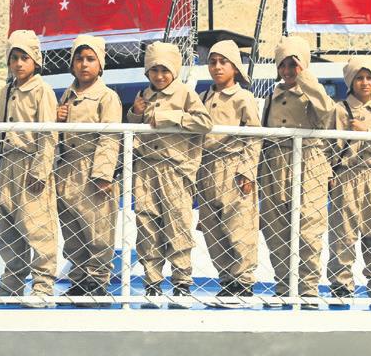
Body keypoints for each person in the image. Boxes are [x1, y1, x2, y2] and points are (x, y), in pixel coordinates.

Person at [126, 41, 212, 305]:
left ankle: (181, 283)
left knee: (177, 225)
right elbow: (135, 127)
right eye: (154, 70)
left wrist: (170, 117)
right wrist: (135, 113)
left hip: (174, 169)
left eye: (165, 70)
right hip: (146, 168)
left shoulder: (185, 94)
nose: (159, 76)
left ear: (174, 70)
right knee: (147, 225)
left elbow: (204, 122)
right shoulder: (143, 94)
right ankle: (152, 282)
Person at [258, 35, 336, 301]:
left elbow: (328, 113)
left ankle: (308, 288)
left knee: (309, 228)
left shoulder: (314, 93)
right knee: (276, 228)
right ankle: (283, 286)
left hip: (308, 162)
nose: (288, 70)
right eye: (283, 64)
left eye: (294, 64)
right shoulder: (271, 96)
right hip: (274, 164)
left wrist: (306, 78)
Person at [0, 30, 59, 302]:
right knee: (8, 228)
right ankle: (12, 282)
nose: (18, 63)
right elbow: (0, 131)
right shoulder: (6, 91)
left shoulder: (43, 91)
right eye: (14, 58)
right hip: (8, 163)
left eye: (24, 58)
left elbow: (49, 134)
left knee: (38, 226)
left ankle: (43, 285)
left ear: (36, 60)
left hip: (31, 163)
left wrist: (41, 170)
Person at [328, 57, 371, 305]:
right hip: (346, 175)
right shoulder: (339, 110)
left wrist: (367, 134)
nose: (365, 82)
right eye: (359, 78)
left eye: (369, 78)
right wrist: (329, 173)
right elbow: (328, 146)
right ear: (351, 81)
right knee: (343, 234)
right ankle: (341, 286)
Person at [55, 35, 122, 297]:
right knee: (72, 229)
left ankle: (97, 281)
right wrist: (56, 118)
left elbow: (110, 136)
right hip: (67, 167)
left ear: (100, 64)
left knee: (98, 228)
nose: (84, 64)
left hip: (93, 168)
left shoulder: (107, 97)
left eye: (90, 59)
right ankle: (79, 279)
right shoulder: (67, 95)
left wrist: (103, 174)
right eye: (79, 59)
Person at [197, 40, 261, 298]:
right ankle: (226, 279)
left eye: (223, 62)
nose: (217, 67)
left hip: (233, 166)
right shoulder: (203, 97)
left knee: (239, 226)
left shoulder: (243, 98)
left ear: (235, 67)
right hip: (206, 168)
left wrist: (247, 171)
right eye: (213, 62)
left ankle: (243, 281)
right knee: (212, 227)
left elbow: (254, 136)